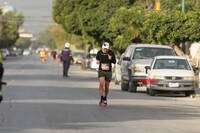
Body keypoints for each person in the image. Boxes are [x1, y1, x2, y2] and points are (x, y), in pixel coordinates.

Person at [96, 42, 116, 106]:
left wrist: (111, 58)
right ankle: (101, 98)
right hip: (101, 71)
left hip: (108, 71)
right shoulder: (99, 52)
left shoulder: (111, 52)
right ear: (102, 47)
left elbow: (114, 61)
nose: (105, 50)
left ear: (108, 48)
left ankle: (105, 98)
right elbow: (97, 60)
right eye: (104, 48)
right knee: (101, 83)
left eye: (106, 49)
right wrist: (98, 61)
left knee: (107, 86)